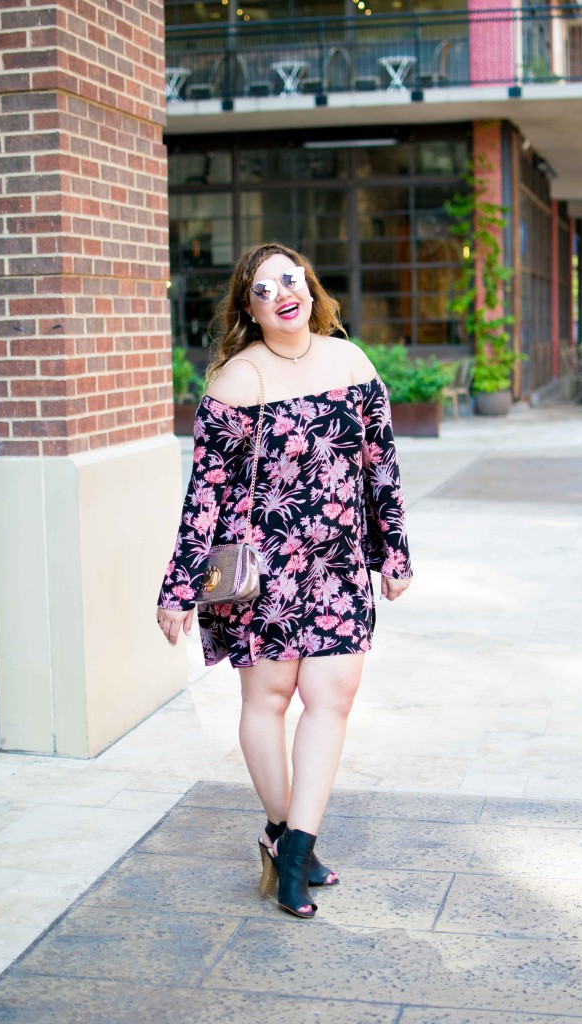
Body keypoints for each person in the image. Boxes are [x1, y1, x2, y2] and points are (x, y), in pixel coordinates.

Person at [156, 242, 412, 919]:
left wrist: (393, 553)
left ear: (309, 285)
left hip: (335, 565)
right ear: (249, 308)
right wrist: (180, 586)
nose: (280, 293)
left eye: (288, 279)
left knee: (332, 696)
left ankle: (295, 848)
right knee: (269, 699)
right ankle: (280, 828)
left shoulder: (351, 362)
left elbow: (378, 467)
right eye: (262, 289)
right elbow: (204, 494)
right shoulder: (238, 380)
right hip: (262, 572)